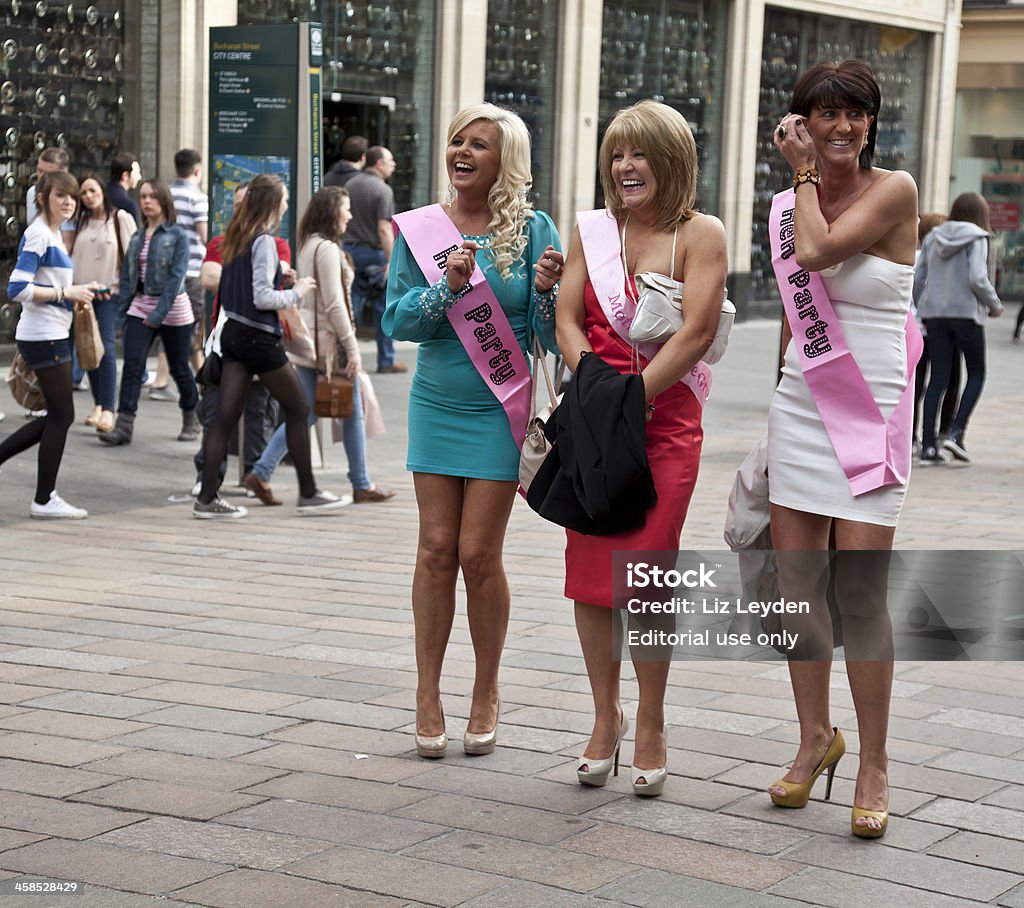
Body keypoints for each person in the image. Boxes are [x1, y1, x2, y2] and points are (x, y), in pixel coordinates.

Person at [555, 100, 727, 797]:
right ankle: (606, 717)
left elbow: (695, 332)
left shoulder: (700, 233)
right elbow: (568, 316)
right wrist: (595, 387)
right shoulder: (592, 231)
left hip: (665, 422)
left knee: (647, 574)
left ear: (672, 159)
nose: (627, 167)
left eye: (640, 153)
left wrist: (635, 397)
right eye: (617, 154)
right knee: (592, 574)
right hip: (597, 417)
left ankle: (651, 718)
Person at [768, 60, 920, 839]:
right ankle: (814, 739)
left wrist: (799, 179)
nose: (839, 127)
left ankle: (875, 761)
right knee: (798, 588)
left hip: (870, 411)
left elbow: (821, 253)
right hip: (802, 405)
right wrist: (771, 421)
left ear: (870, 123)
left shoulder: (895, 190)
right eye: (823, 113)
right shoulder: (788, 199)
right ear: (801, 120)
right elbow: (797, 319)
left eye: (853, 114)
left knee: (859, 595)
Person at [384, 103, 562, 758]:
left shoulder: (532, 228)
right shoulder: (422, 230)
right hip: (436, 403)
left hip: (499, 409)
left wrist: (546, 292)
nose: (461, 152)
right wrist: (449, 289)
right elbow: (397, 322)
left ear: (504, 161)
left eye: (478, 145)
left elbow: (548, 339)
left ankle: (486, 690)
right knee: (435, 548)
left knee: (478, 553)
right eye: (456, 140)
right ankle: (428, 693)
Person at [193, 172, 348, 519]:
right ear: (273, 204)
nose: (287, 206)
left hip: (232, 333)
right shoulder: (263, 239)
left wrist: (280, 278)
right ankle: (308, 492)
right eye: (284, 201)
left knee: (225, 417)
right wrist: (298, 290)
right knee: (298, 407)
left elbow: (245, 287)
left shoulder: (235, 237)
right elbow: (262, 297)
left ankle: (206, 498)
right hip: (257, 338)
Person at [246, 186, 394, 506]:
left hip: (312, 343)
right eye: (346, 209)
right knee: (349, 409)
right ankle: (361, 483)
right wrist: (352, 349)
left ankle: (262, 470)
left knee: (308, 412)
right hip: (329, 346)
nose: (350, 215)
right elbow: (335, 304)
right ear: (331, 212)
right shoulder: (326, 249)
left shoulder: (309, 245)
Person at [2, 171, 102, 518]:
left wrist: (77, 292)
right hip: (44, 337)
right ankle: (44, 499)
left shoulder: (53, 236)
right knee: (62, 415)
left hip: (50, 334)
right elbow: (16, 289)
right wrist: (66, 292)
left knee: (58, 415)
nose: (69, 202)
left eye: (72, 197)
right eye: (61, 195)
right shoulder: (39, 235)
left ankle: (44, 496)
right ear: (43, 197)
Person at [193, 182, 284, 495]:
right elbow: (207, 277)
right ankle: (207, 481)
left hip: (257, 338)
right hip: (227, 339)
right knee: (217, 410)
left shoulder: (272, 243)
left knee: (258, 409)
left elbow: (276, 279)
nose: (239, 208)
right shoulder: (223, 241)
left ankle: (252, 474)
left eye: (244, 202)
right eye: (235, 203)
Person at [98, 179, 199, 446]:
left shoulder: (177, 236)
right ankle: (124, 426)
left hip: (173, 309)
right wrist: (122, 315)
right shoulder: (137, 236)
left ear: (164, 200)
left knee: (179, 367)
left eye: (153, 196)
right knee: (132, 365)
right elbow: (129, 277)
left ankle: (191, 414)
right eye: (143, 196)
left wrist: (157, 316)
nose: (146, 201)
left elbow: (176, 280)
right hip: (140, 305)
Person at [915, 192, 1003, 465]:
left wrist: (924, 307)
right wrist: (994, 304)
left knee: (938, 378)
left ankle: (928, 445)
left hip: (935, 315)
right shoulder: (978, 238)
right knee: (976, 373)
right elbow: (978, 277)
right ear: (980, 214)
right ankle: (955, 432)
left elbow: (919, 278)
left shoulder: (932, 237)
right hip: (966, 314)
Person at [67, 172, 136, 434]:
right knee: (87, 347)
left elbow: (132, 258)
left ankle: (108, 408)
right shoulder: (80, 221)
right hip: (80, 295)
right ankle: (98, 405)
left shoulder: (120, 218)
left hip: (109, 295)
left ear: (102, 191)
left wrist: (120, 287)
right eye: (83, 193)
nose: (88, 196)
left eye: (92, 191)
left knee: (105, 346)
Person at [151, 147, 209, 396]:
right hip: (192, 269)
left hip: (166, 269)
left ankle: (202, 376)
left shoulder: (166, 196)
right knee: (188, 324)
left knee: (172, 320)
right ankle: (162, 381)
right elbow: (204, 234)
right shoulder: (197, 198)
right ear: (197, 170)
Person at [345, 145, 403, 373]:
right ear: (379, 164)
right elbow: (383, 229)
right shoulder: (383, 190)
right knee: (383, 308)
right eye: (390, 161)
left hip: (349, 251)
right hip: (374, 254)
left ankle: (346, 358)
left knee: (352, 306)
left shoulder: (350, 185)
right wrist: (391, 259)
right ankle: (386, 361)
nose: (394, 165)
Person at [911, 213, 960, 456]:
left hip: (917, 330)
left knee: (917, 386)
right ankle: (942, 434)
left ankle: (912, 437)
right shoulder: (941, 260)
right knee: (949, 382)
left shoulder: (914, 257)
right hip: (940, 328)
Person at [25, 146, 70, 224]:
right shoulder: (32, 192)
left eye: (48, 173)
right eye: (40, 170)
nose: (42, 176)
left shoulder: (70, 197)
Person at [106, 152, 142, 224]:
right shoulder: (128, 205)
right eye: (137, 173)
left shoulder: (101, 193)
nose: (139, 177)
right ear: (125, 176)